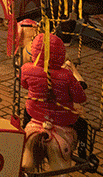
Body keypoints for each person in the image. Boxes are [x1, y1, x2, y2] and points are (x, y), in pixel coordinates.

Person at [21, 32, 88, 165]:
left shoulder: (26, 69)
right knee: (83, 125)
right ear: (60, 53)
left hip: (36, 112)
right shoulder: (67, 75)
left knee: (26, 110)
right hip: (63, 118)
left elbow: (24, 85)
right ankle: (82, 150)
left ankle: (22, 135)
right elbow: (81, 98)